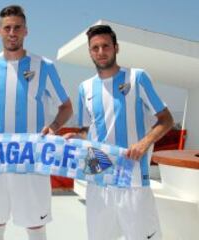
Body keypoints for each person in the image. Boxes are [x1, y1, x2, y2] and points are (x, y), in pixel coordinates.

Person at [0, 5, 73, 240]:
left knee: (35, 225)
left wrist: (54, 127)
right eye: (7, 28)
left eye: (17, 27)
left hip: (30, 158)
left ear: (26, 31)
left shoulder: (44, 66)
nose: (12, 32)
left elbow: (66, 107)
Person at [65, 25, 174, 240]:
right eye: (95, 47)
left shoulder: (137, 78)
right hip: (99, 181)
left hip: (132, 180)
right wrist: (77, 138)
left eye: (106, 46)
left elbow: (167, 120)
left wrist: (144, 143)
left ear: (116, 48)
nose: (101, 51)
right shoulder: (84, 88)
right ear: (90, 52)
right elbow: (89, 132)